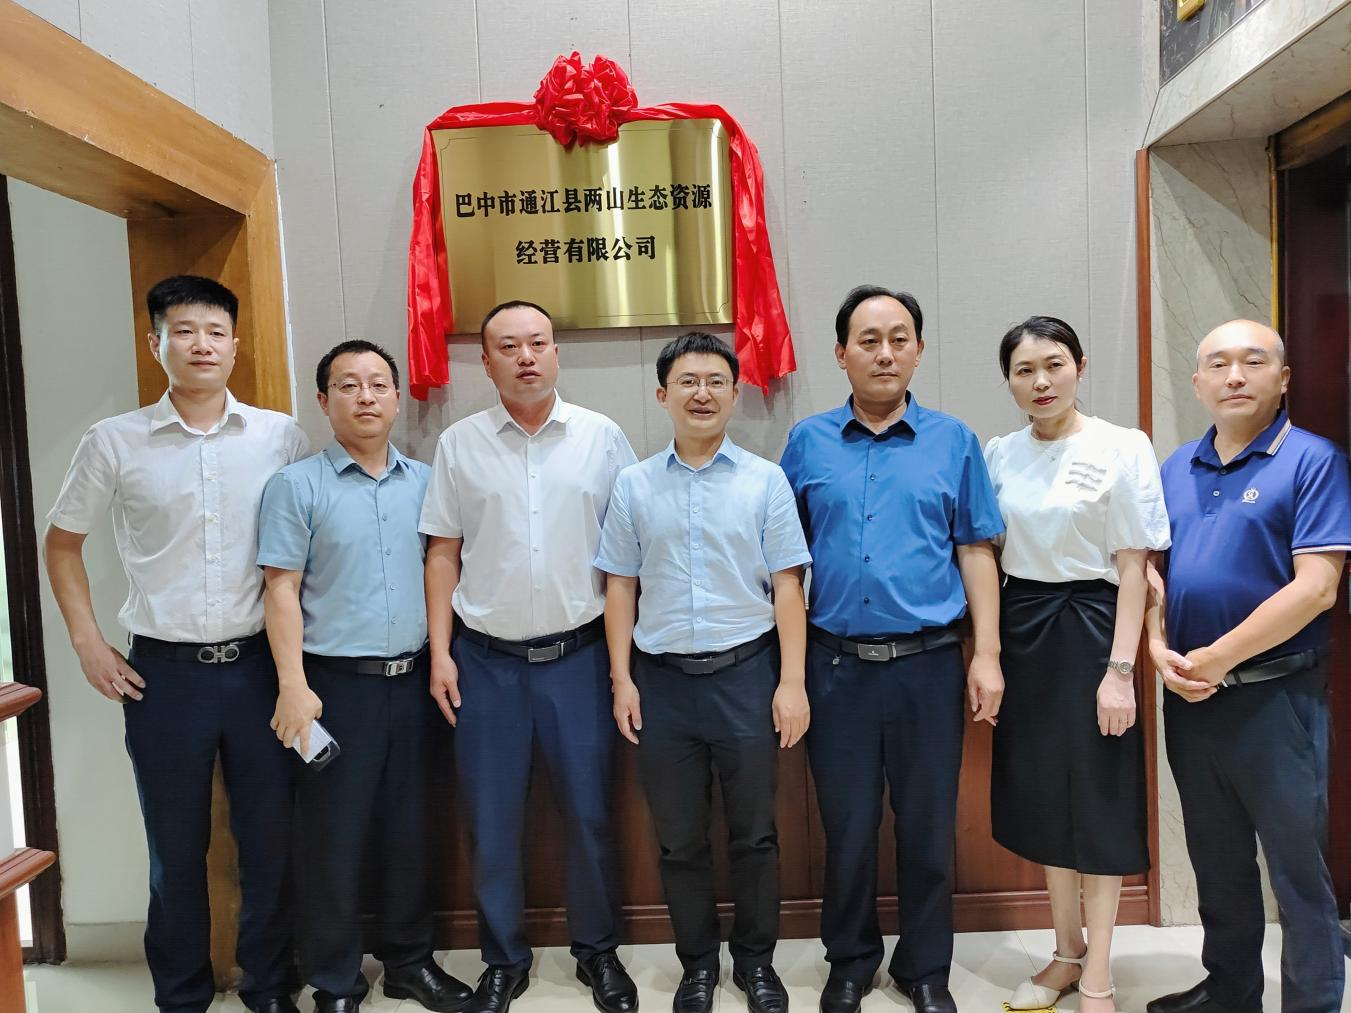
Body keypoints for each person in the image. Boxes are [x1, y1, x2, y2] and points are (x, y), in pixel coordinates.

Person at [43, 275, 308, 1013]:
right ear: (154, 341)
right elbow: (62, 543)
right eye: (184, 330)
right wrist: (89, 642)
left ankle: (269, 986)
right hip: (163, 676)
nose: (202, 345)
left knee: (270, 841)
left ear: (234, 344)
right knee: (175, 847)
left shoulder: (280, 436)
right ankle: (182, 996)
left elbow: (299, 555)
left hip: (259, 669)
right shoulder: (114, 441)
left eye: (216, 332)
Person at [778, 285, 1005, 1013]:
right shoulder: (807, 442)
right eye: (868, 340)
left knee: (928, 823)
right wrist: (791, 673)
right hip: (835, 666)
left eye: (898, 338)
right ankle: (850, 961)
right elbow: (786, 563)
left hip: (928, 664)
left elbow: (975, 549)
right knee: (846, 826)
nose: (884, 353)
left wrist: (987, 654)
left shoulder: (953, 441)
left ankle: (925, 967)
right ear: (840, 353)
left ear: (918, 350)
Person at [420, 301, 639, 1013]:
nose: (525, 357)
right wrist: (441, 653)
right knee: (491, 819)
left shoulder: (602, 438)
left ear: (556, 353)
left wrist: (622, 667)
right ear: (485, 362)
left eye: (538, 343)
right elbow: (442, 552)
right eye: (508, 346)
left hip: (579, 658)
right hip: (485, 663)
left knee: (589, 813)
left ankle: (597, 951)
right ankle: (503, 959)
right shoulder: (459, 444)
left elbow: (628, 556)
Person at [596, 331, 811, 1013]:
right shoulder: (633, 484)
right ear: (663, 394)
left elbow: (787, 585)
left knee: (755, 834)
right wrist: (622, 679)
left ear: (735, 392)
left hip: (746, 676)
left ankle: (756, 963)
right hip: (661, 682)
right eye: (687, 381)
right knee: (679, 838)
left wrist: (792, 682)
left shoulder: (764, 480)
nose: (702, 393)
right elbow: (620, 586)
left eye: (716, 381)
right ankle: (697, 966)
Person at [257, 340, 471, 1013]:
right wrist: (293, 684)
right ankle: (335, 979)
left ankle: (409, 962)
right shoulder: (297, 486)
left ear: (398, 397)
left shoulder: (428, 481)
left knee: (410, 829)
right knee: (334, 837)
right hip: (333, 687)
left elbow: (445, 569)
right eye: (348, 385)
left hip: (415, 681)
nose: (366, 396)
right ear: (324, 402)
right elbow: (280, 589)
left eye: (378, 383)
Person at [1146, 319, 1351, 1013]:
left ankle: (1313, 1002)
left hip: (1277, 699)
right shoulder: (1175, 466)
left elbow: (1316, 588)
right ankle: (1230, 990)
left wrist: (1217, 657)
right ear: (1197, 382)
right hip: (1192, 701)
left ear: (1283, 378)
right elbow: (1152, 573)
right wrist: (1156, 647)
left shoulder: (1312, 460)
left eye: (1253, 361)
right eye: (1218, 363)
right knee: (1216, 856)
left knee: (1297, 870)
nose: (1234, 375)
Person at [983, 317, 1170, 1012]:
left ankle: (1099, 969)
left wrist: (1119, 671)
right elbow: (984, 550)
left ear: (1080, 366)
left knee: (1097, 797)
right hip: (1022, 625)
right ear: (1008, 380)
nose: (1040, 381)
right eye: (1024, 370)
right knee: (1041, 796)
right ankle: (1065, 950)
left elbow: (1134, 563)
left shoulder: (1122, 444)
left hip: (1095, 624)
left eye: (1054, 364)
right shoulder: (998, 453)